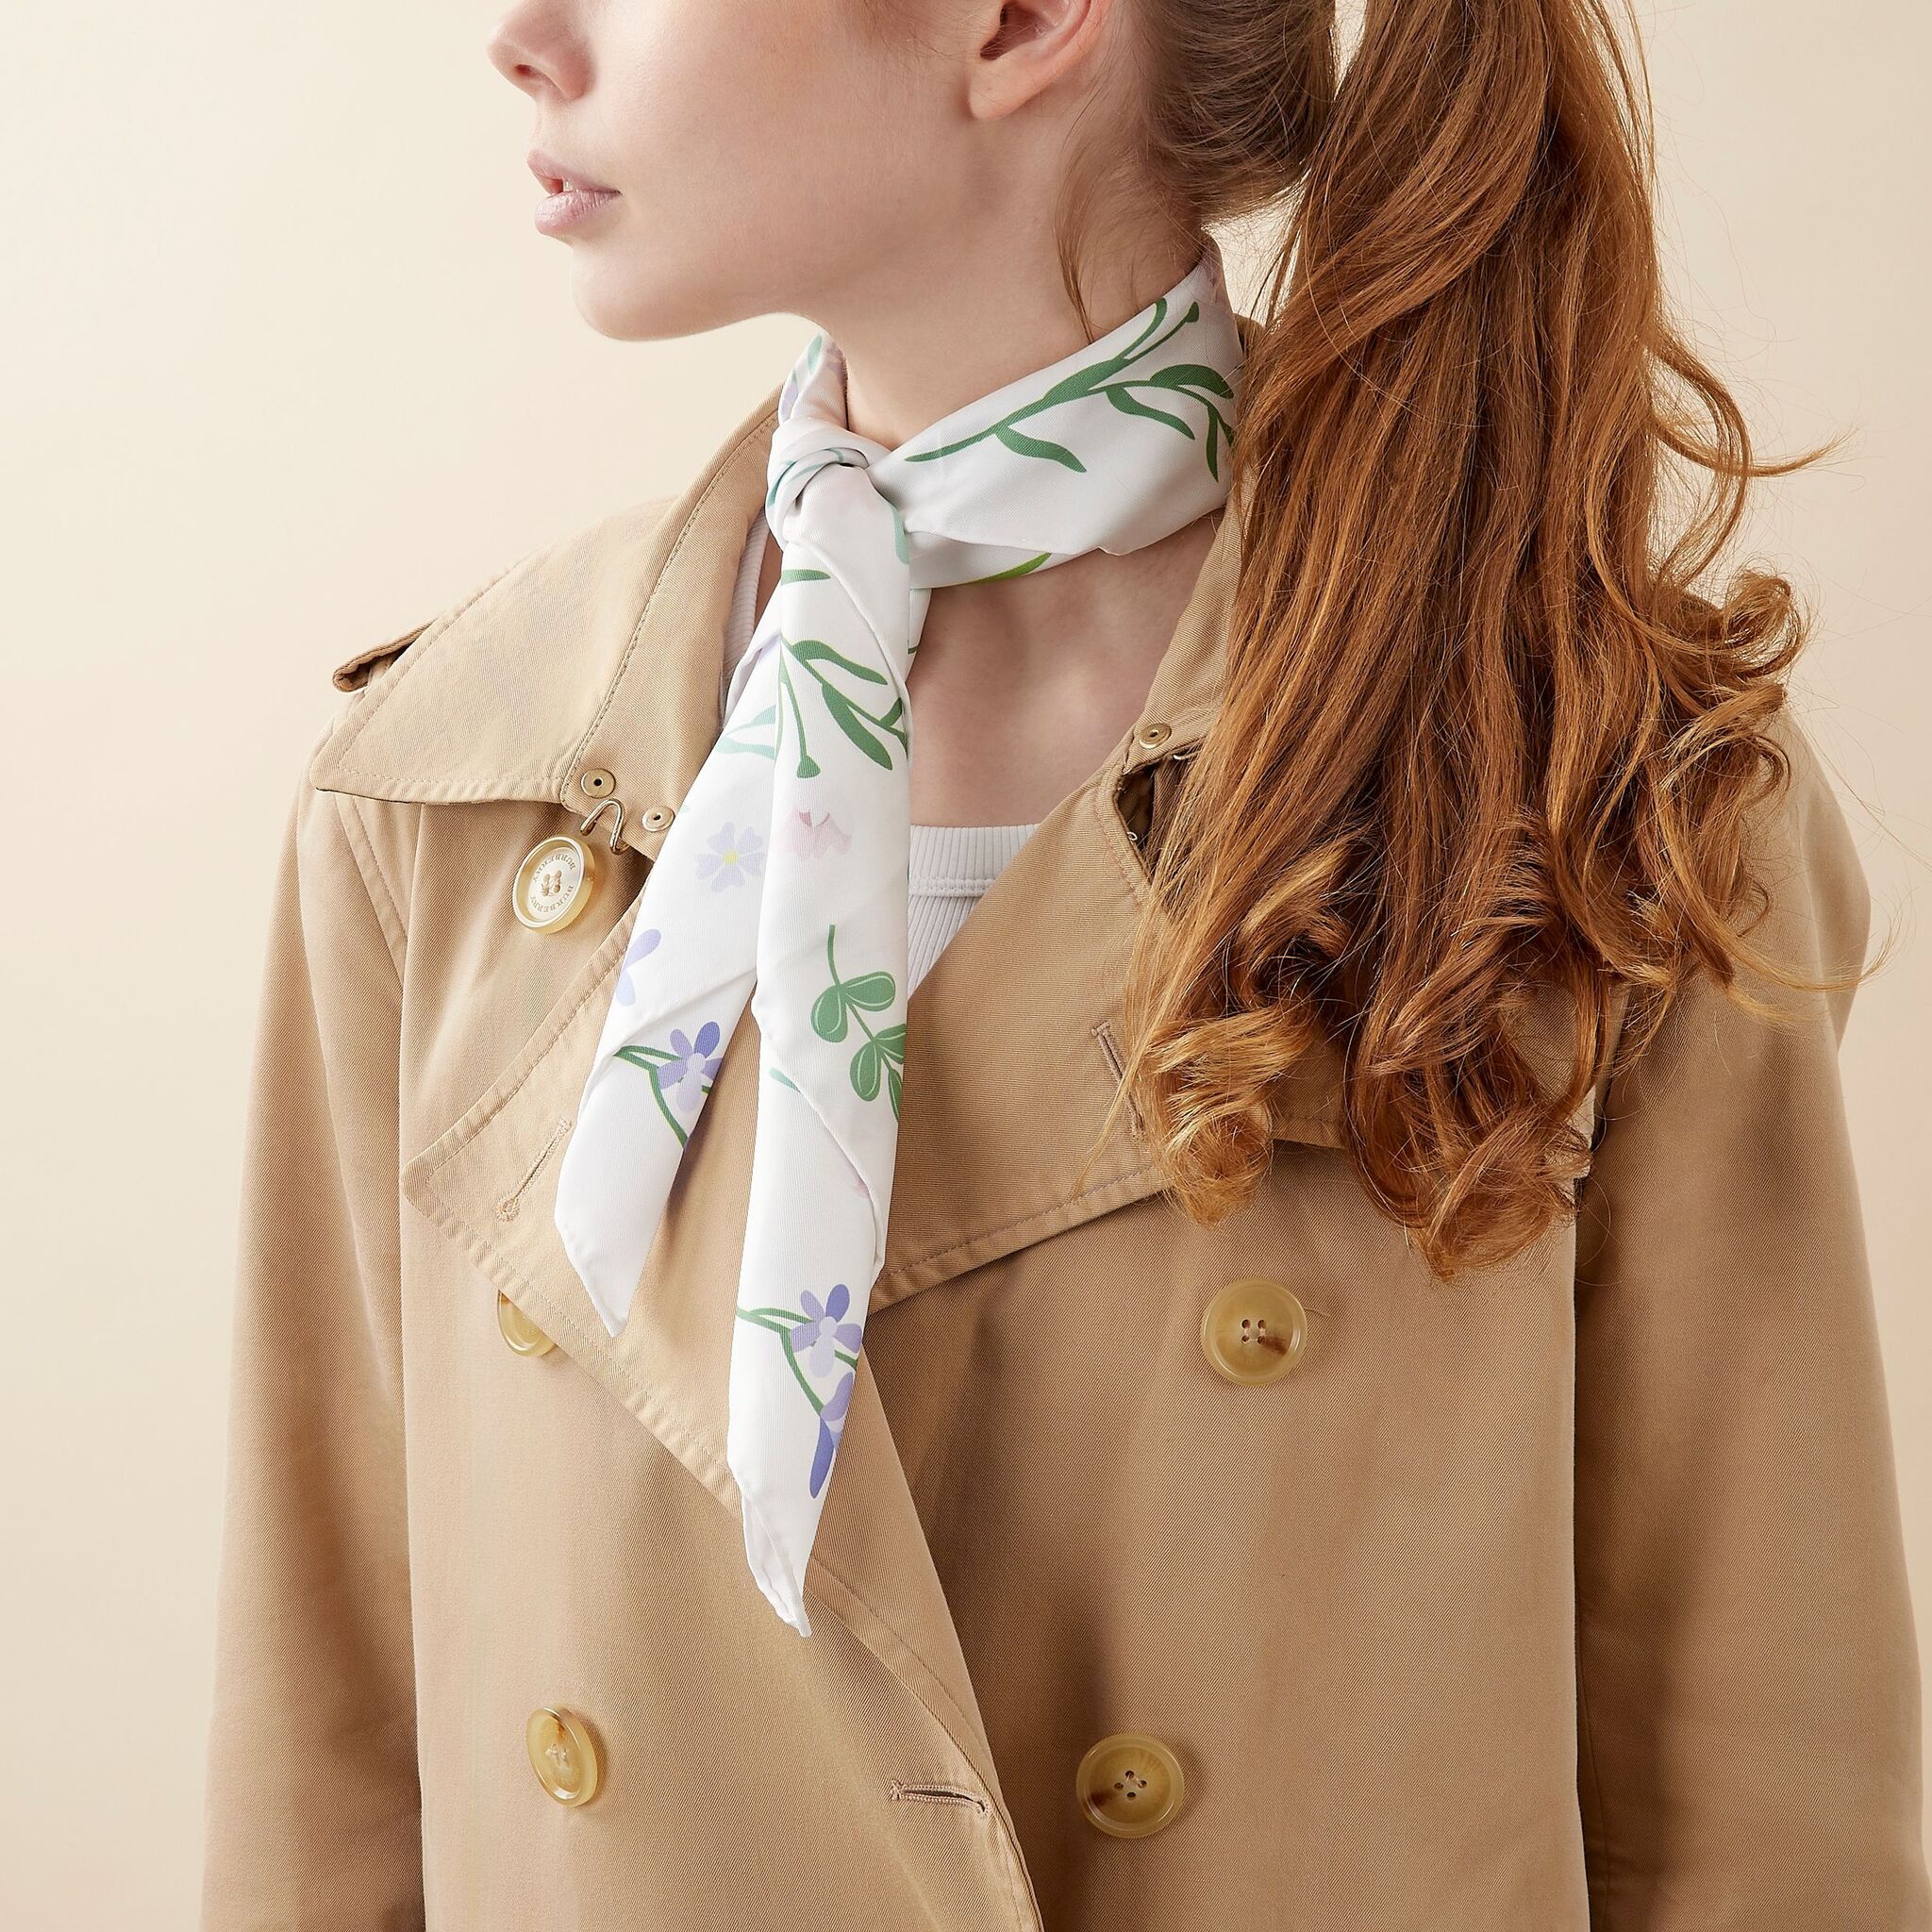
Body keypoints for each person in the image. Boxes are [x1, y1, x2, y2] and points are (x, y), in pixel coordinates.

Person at [199, 1, 1931, 1926]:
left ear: (1021, 21)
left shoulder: (1588, 796)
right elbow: (326, 1794)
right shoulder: (448, 794)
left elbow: (1758, 1838)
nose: (522, 37)